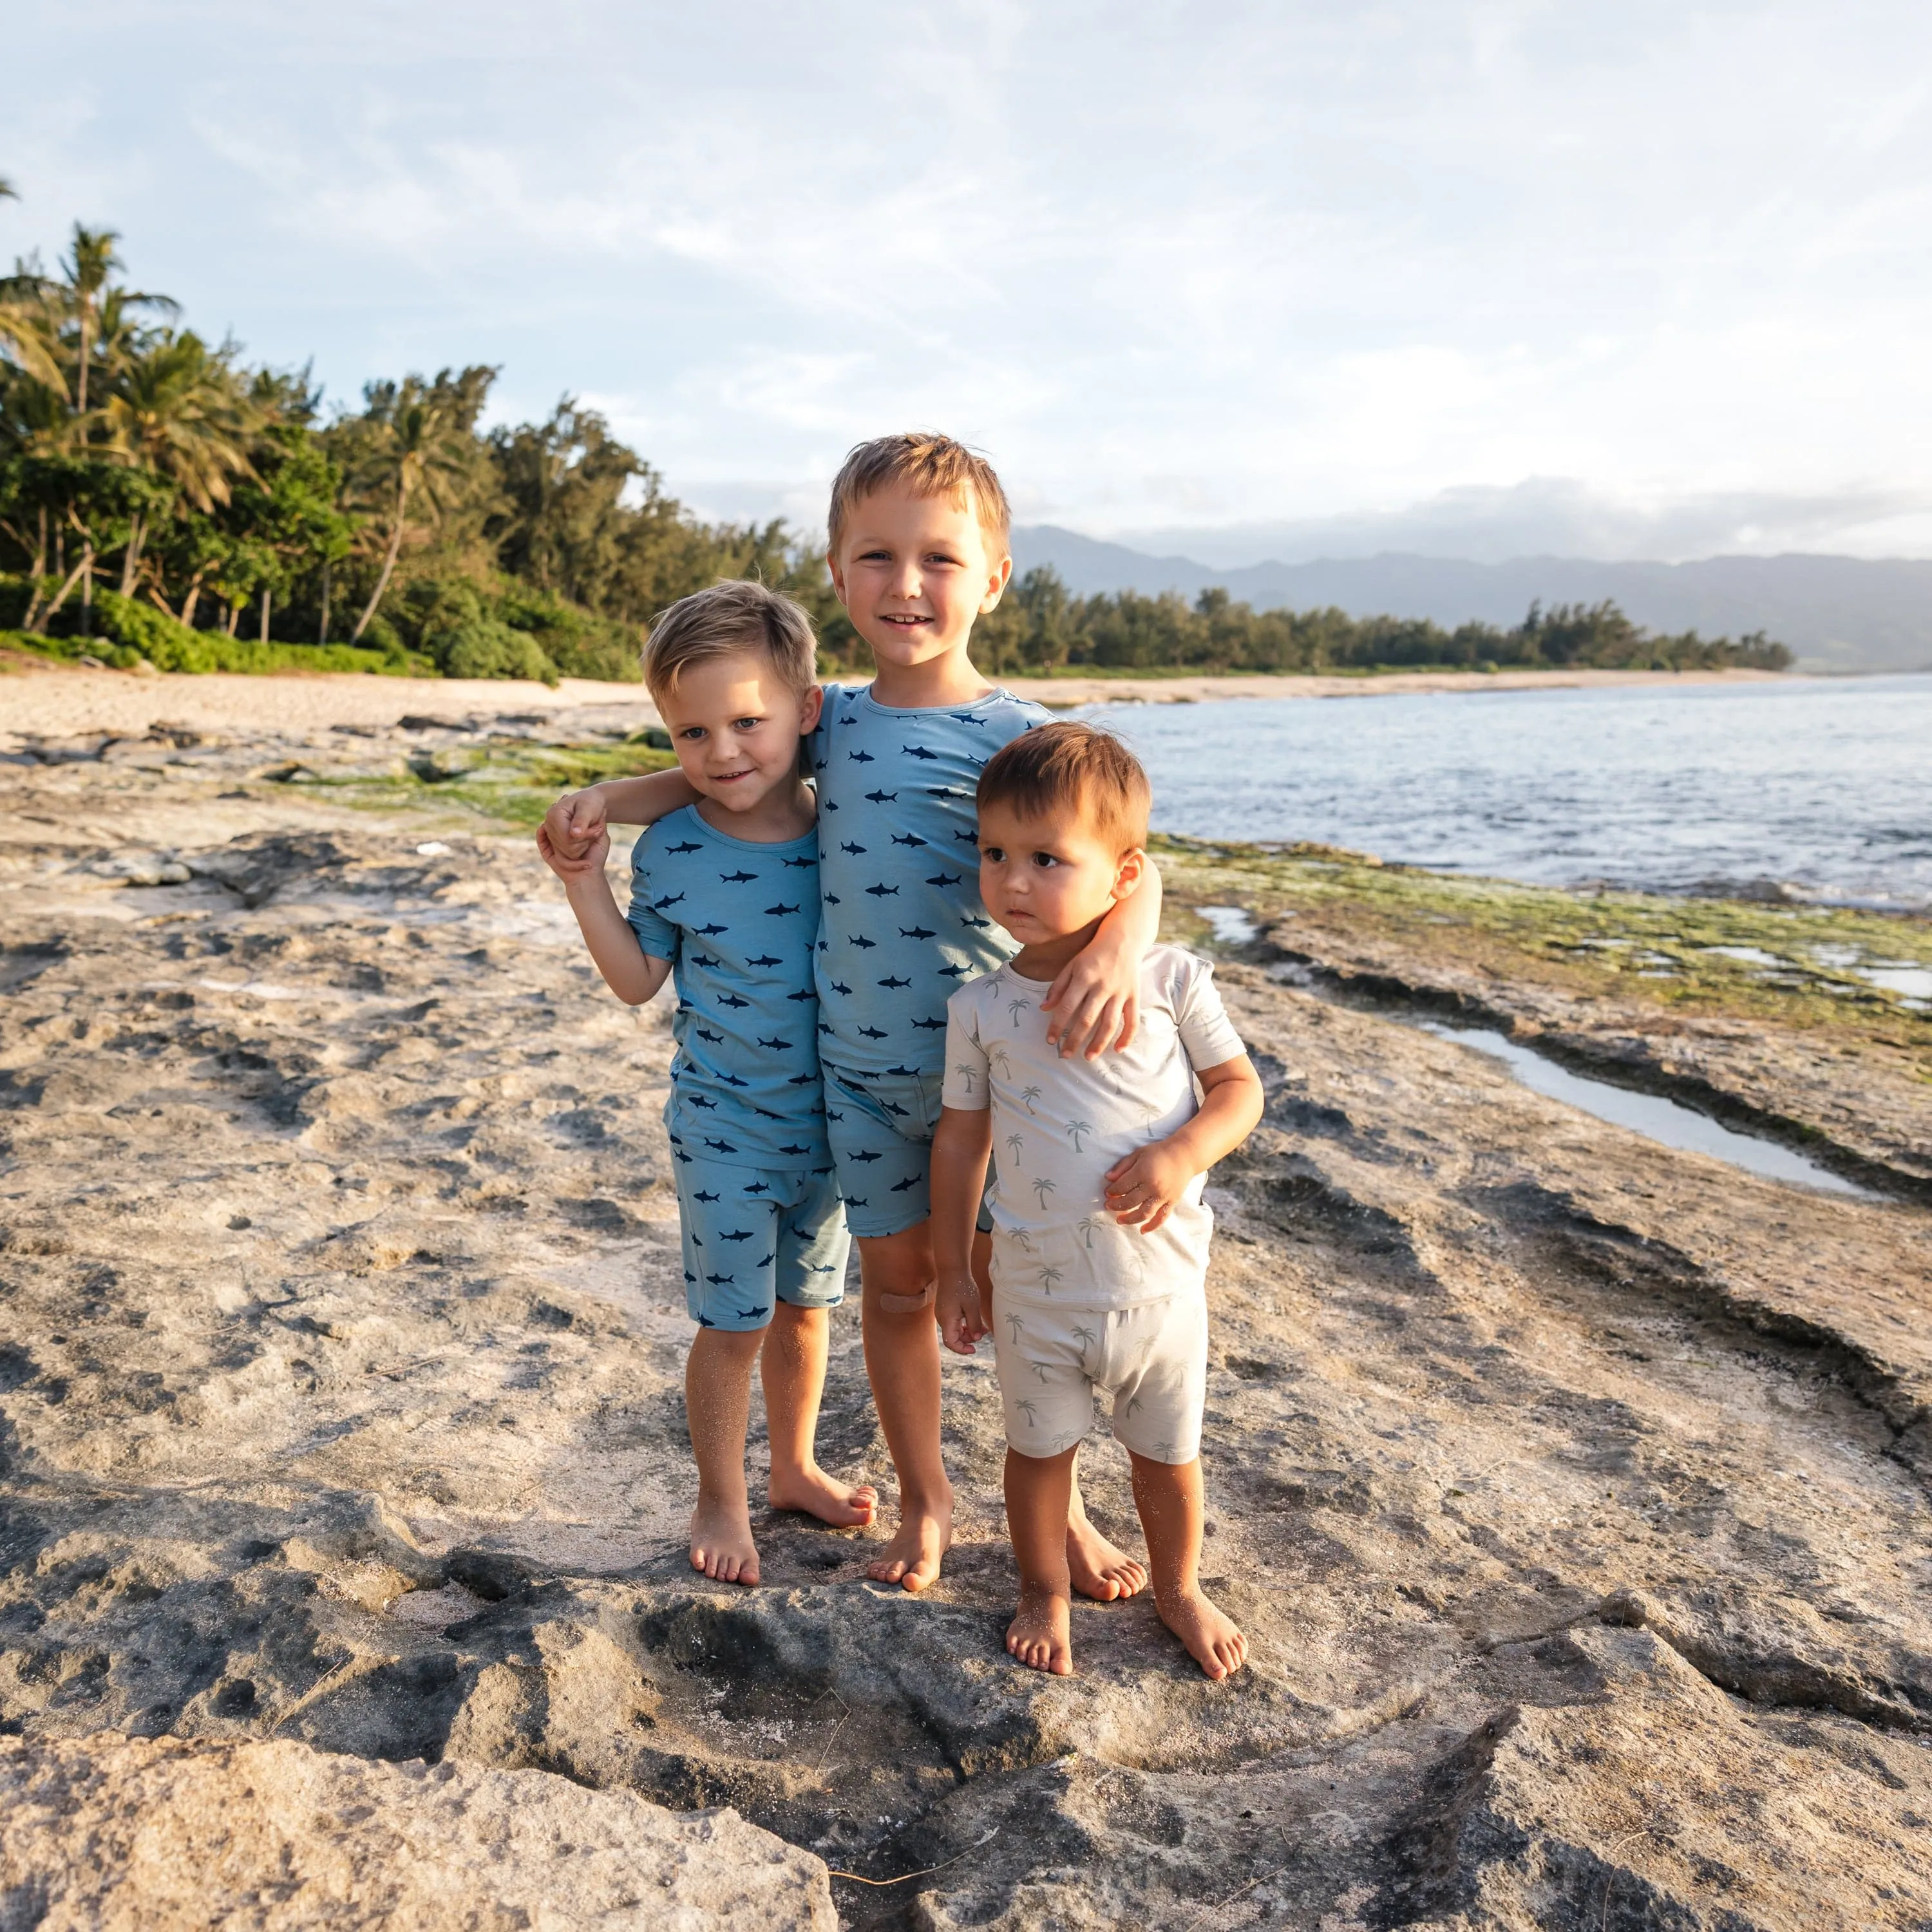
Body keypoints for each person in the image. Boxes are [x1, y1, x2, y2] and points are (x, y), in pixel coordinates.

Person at [538, 433, 1160, 1595]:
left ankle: (1060, 1511)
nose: (907, 584)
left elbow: (1133, 857)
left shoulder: (1018, 736)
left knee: (1024, 1300)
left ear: (995, 577)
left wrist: (1124, 943)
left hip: (1004, 1082)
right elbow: (731, 768)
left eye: (939, 558)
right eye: (876, 556)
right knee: (896, 1297)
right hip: (861, 1086)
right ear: (837, 573)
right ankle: (925, 1503)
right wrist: (610, 806)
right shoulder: (833, 720)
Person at [536, 580, 875, 1588]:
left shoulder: (849, 824)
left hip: (832, 1128)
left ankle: (798, 1468)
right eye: (692, 733)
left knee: (808, 1309)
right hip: (724, 1127)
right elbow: (638, 982)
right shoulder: (675, 849)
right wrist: (584, 878)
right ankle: (722, 1495)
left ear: (805, 714)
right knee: (735, 1322)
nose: (723, 752)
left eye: (746, 723)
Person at [931, 722, 1264, 1679]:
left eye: (1046, 859)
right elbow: (962, 1139)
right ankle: (1042, 1588)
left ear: (1125, 876)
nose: (1011, 881)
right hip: (1037, 1290)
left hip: (1160, 1292)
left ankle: (1179, 1587)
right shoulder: (982, 1008)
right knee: (1039, 1455)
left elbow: (1241, 1091)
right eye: (994, 854)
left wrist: (1182, 1151)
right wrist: (956, 1265)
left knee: (1168, 1458)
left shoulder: (1169, 979)